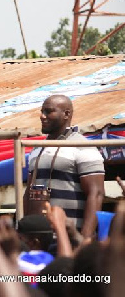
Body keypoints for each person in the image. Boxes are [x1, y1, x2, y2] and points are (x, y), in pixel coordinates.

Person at [24, 95, 105, 238]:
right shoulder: (36, 149)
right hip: (39, 239)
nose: (42, 116)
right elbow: (29, 192)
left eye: (49, 111)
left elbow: (96, 193)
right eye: (42, 112)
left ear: (66, 114)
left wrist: (84, 238)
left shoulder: (83, 146)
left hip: (69, 237)